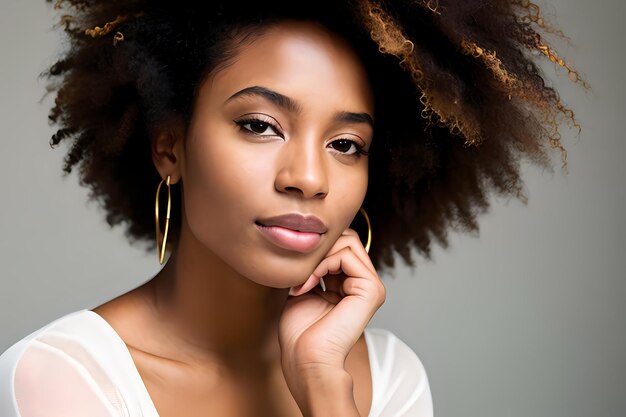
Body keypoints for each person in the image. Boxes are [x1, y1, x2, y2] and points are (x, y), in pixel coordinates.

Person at [0, 0, 584, 416]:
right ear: (169, 146)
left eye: (346, 145)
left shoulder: (387, 379)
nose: (309, 178)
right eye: (260, 125)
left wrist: (324, 387)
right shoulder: (62, 376)